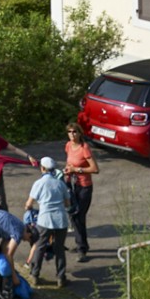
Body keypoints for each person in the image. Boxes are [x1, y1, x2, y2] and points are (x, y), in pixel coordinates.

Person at [25, 156, 74, 287]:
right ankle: (60, 278)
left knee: (40, 247)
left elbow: (28, 204)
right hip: (60, 220)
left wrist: (30, 208)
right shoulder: (60, 184)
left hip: (44, 220)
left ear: (42, 168)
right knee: (59, 249)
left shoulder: (38, 183)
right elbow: (68, 204)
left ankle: (35, 274)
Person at [63, 122, 100, 260]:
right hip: (72, 185)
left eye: (75, 132)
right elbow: (69, 163)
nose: (72, 135)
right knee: (73, 215)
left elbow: (95, 169)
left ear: (79, 133)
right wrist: (67, 170)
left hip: (85, 186)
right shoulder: (68, 145)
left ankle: (82, 249)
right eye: (70, 132)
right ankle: (82, 244)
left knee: (78, 216)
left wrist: (77, 170)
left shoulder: (84, 148)